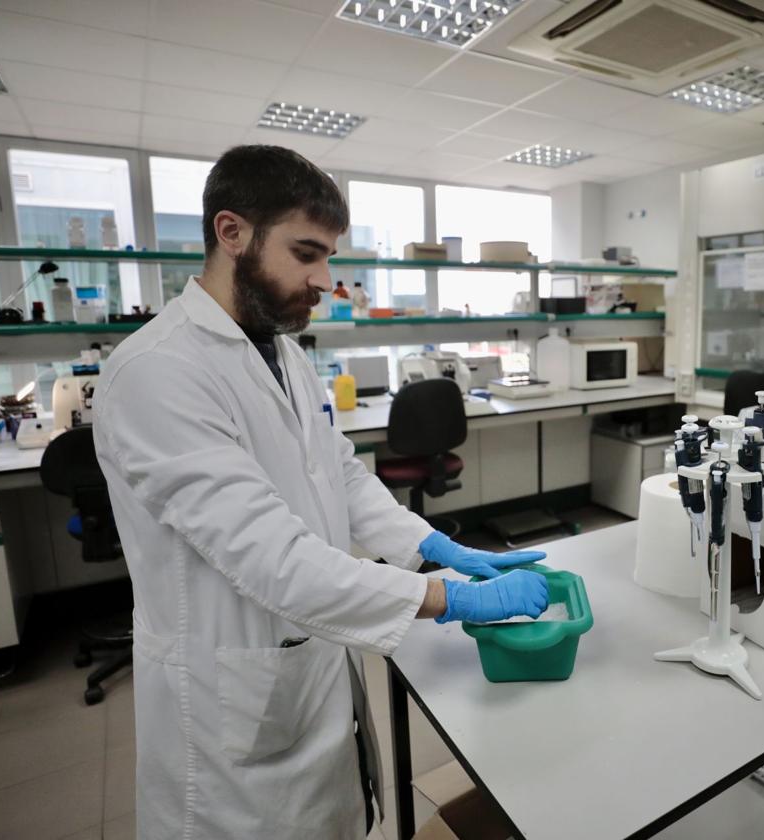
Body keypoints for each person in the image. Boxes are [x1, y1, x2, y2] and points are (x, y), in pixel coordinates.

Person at [93, 145, 549, 840]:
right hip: (229, 706)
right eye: (307, 253)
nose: (326, 279)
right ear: (232, 232)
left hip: (306, 661)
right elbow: (270, 557)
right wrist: (446, 596)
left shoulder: (277, 350)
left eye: (329, 255)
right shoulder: (158, 372)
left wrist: (427, 543)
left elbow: (334, 470)